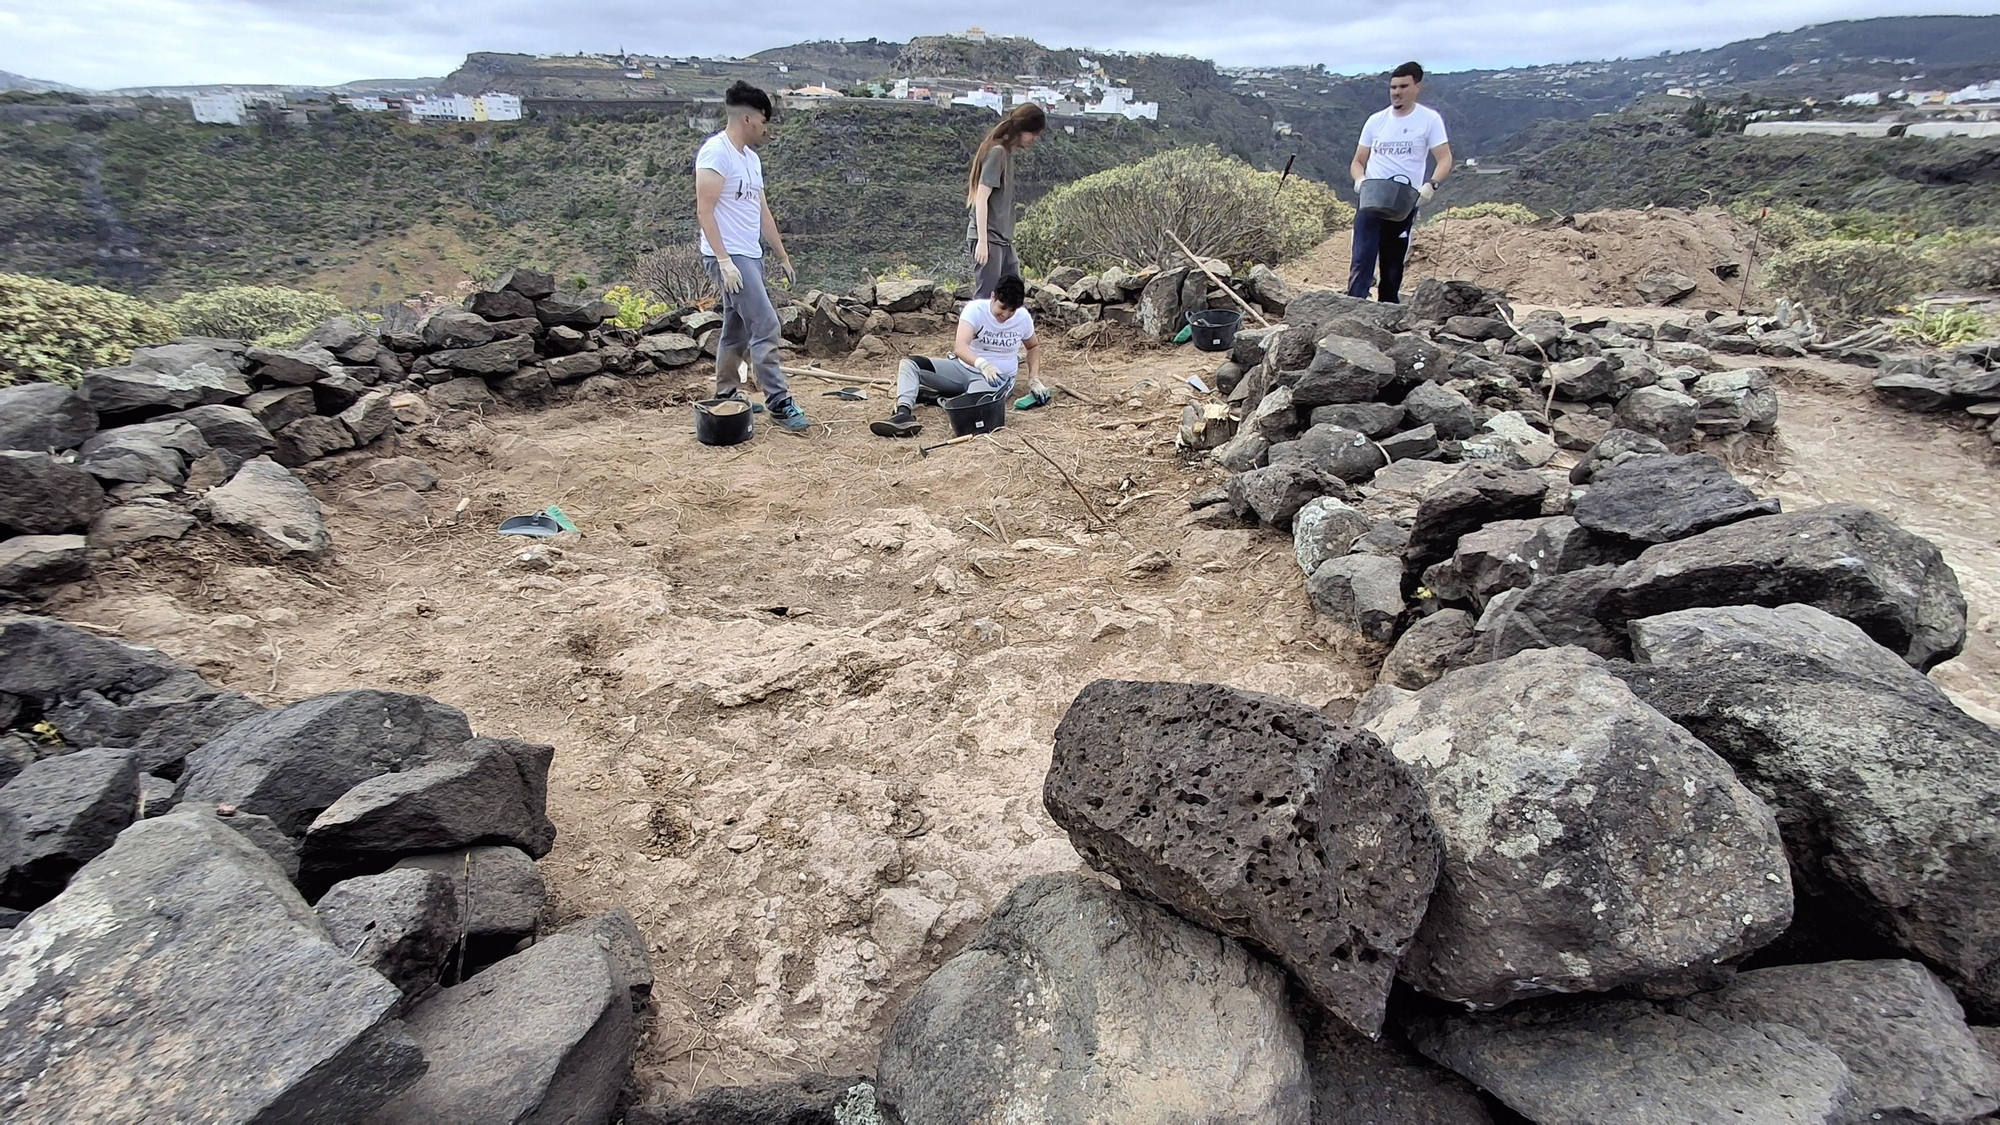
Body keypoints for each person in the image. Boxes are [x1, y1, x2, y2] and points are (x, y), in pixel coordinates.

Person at [694, 81, 808, 431]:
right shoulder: (716, 153)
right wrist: (723, 261)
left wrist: (781, 256)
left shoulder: (751, 160)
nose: (765, 128)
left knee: (736, 328)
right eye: (763, 121)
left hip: (750, 254)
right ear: (748, 118)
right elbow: (704, 211)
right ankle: (779, 401)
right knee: (766, 324)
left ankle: (726, 394)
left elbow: (762, 212)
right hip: (730, 256)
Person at [872, 274, 1039, 438]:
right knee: (911, 364)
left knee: (971, 412)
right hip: (964, 368)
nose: (1006, 315)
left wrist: (1033, 378)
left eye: (1012, 311)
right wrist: (983, 364)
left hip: (996, 379)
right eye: (1002, 308)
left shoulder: (1023, 318)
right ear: (993, 297)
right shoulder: (975, 310)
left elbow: (1033, 346)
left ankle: (938, 398)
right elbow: (960, 347)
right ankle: (903, 414)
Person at [1347, 61, 1454, 304]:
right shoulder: (1376, 121)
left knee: (1393, 262)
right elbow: (1358, 161)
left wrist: (1431, 185)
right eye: (1393, 87)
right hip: (1372, 198)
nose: (1397, 92)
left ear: (1417, 87)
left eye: (1403, 86)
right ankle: (1355, 304)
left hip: (1403, 202)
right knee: (1362, 257)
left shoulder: (1429, 120)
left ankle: (1388, 308)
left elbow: (1445, 158)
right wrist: (1360, 180)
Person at [966, 103, 1045, 300]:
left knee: (1011, 293)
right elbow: (981, 198)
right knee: (985, 297)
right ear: (1022, 129)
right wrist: (982, 241)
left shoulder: (1006, 154)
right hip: (990, 237)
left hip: (1003, 239)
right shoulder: (997, 152)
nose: (1034, 139)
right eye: (1033, 133)